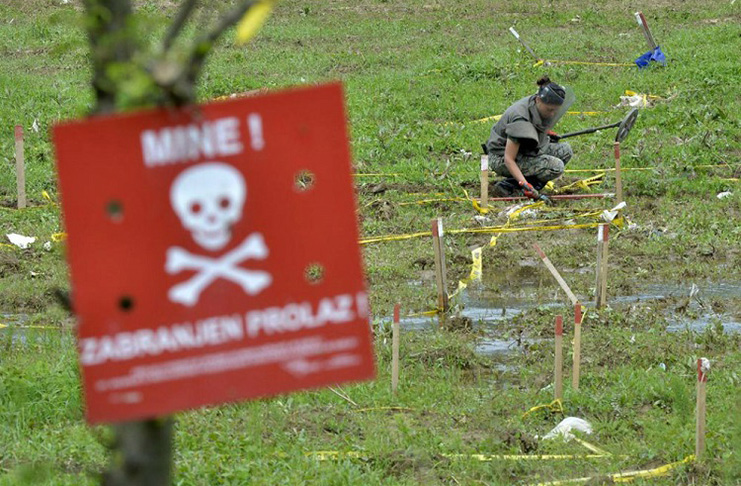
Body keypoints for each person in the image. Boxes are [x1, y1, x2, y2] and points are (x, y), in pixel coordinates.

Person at [485, 76, 573, 199]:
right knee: (555, 166)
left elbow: (535, 125)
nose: (552, 114)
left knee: (565, 150)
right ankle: (511, 186)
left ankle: (529, 183)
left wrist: (545, 133)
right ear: (538, 100)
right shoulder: (520, 119)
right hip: (500, 157)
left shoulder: (536, 103)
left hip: (522, 150)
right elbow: (509, 159)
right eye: (550, 110)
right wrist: (525, 184)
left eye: (555, 111)